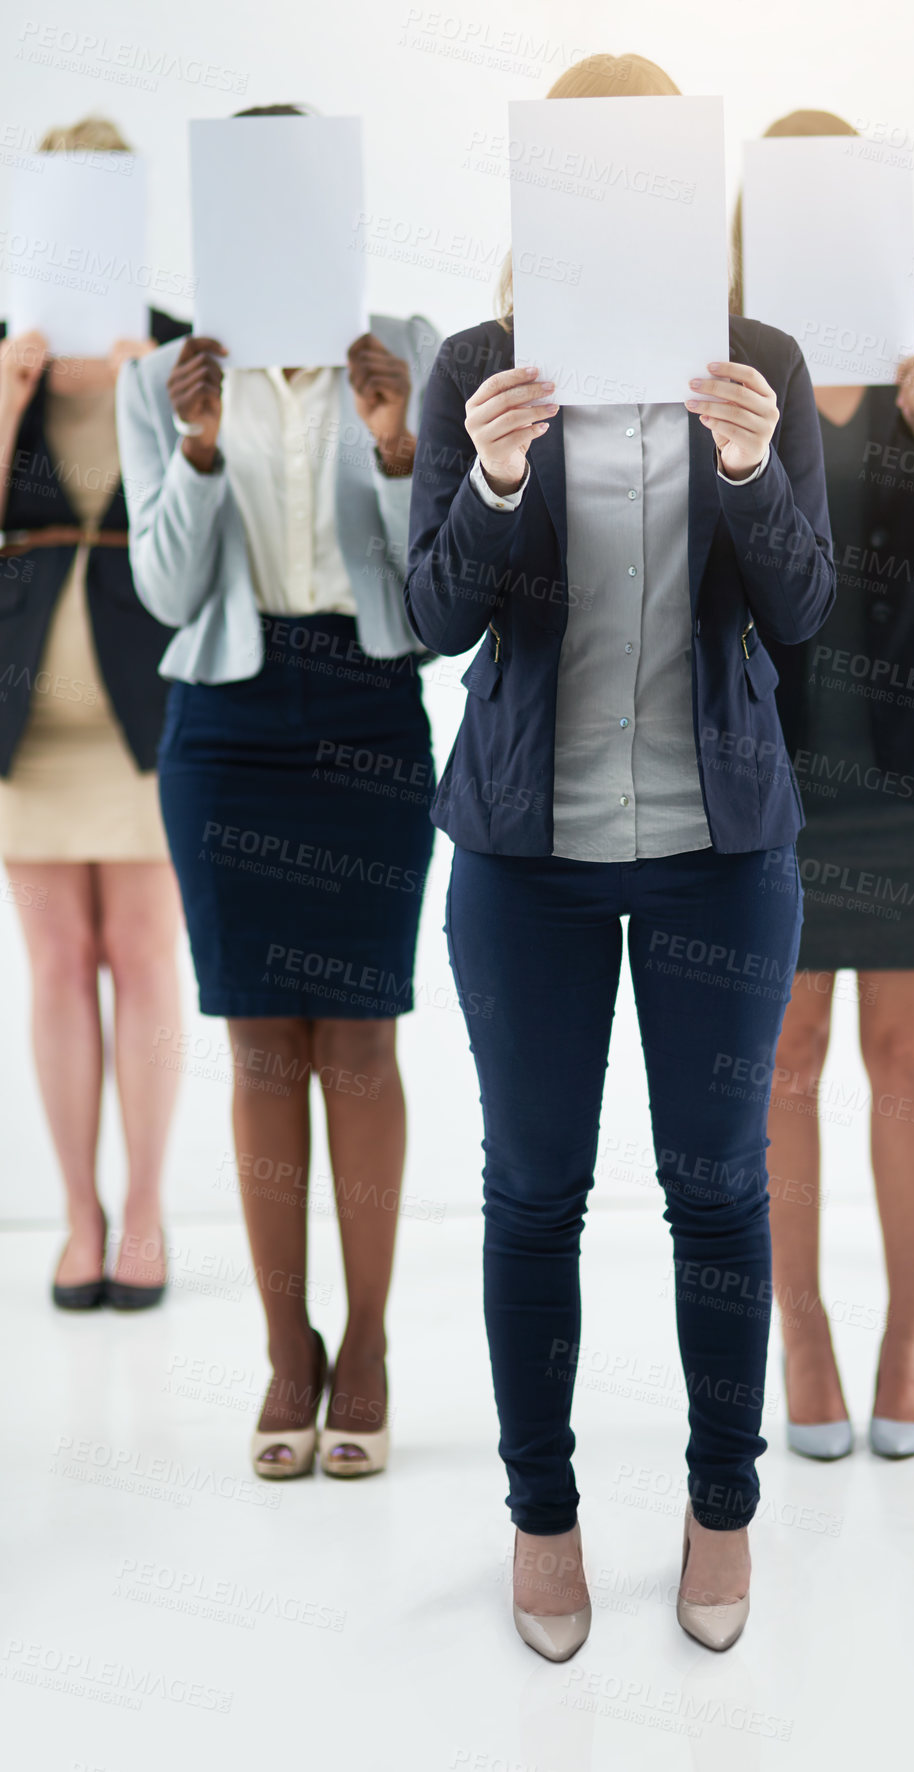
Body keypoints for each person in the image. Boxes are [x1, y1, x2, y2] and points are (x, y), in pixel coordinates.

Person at [406, 54, 834, 1658]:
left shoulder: (764, 363)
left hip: (724, 851)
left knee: (717, 1192)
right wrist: (502, 478)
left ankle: (723, 1508)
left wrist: (745, 466)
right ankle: (543, 1517)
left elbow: (801, 615)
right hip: (529, 858)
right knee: (533, 1194)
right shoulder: (476, 369)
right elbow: (435, 618)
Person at [116, 104, 438, 1480]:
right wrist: (195, 452)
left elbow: (439, 597)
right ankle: (282, 1351)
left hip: (367, 709)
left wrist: (398, 446)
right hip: (228, 722)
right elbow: (165, 593)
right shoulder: (167, 378)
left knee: (358, 1044)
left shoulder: (408, 356)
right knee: (260, 1050)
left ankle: (363, 1346)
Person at [746, 112, 914, 1461]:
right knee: (784, 1054)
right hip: (777, 778)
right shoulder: (730, 364)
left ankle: (909, 1337)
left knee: (912, 1058)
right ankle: (804, 1334)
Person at [0, 116, 189, 1312]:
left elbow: (202, 518)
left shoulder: (171, 353)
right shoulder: (4, 356)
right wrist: (11, 395)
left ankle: (151, 1211)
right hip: (27, 720)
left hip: (146, 709)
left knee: (144, 955)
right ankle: (80, 1214)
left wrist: (143, 396)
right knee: (59, 964)